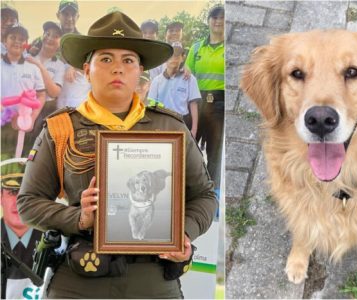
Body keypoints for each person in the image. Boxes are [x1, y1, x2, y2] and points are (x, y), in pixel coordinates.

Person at [17, 11, 216, 298]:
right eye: (106, 59)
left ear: (140, 71)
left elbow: (204, 196)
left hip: (154, 278)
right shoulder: (61, 128)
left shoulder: (170, 127)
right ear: (87, 69)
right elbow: (28, 202)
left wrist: (182, 233)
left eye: (128, 60)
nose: (118, 69)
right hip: (80, 278)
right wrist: (78, 217)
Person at [185, 5, 225, 194]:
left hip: (220, 103)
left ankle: (212, 192)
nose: (217, 21)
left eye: (222, 18)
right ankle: (187, 187)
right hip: (197, 102)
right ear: (208, 21)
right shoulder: (196, 48)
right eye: (214, 17)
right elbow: (187, 75)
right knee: (190, 147)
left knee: (214, 151)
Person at [1, 24, 46, 159]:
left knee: (20, 163)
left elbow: (41, 95)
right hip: (2, 123)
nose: (17, 41)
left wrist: (31, 119)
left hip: (23, 125)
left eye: (21, 39)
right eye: (12, 37)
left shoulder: (33, 68)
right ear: (4, 41)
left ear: (26, 43)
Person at [1, 170, 43, 300]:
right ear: (1, 197)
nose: (19, 201)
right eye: (12, 192)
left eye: (25, 193)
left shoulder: (56, 242)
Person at [25, 21, 65, 148]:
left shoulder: (60, 66)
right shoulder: (26, 57)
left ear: (60, 43)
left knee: (38, 151)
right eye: (47, 34)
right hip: (24, 109)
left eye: (55, 36)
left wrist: (39, 66)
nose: (50, 38)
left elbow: (54, 92)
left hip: (47, 113)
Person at [149, 42, 200, 138]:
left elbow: (193, 104)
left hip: (183, 121)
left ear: (182, 58)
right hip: (162, 122)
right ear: (165, 58)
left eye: (177, 56)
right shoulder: (157, 81)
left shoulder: (189, 79)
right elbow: (152, 105)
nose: (174, 59)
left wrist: (194, 130)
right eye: (171, 56)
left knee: (182, 150)